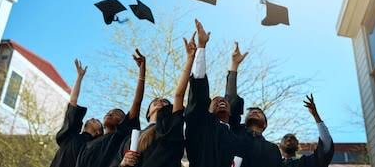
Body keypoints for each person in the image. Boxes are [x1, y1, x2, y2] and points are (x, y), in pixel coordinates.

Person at [112, 31, 197, 167]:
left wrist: (190, 59)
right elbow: (137, 102)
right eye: (155, 101)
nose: (160, 101)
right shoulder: (131, 139)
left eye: (165, 102)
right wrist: (123, 163)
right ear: (147, 112)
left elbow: (179, 95)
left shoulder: (171, 128)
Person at [75, 49, 146, 167]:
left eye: (117, 113)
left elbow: (137, 102)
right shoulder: (88, 145)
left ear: (124, 121)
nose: (110, 114)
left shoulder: (120, 136)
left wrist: (142, 71)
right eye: (108, 112)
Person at [185, 19, 241, 167]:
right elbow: (198, 89)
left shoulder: (238, 137)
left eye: (224, 100)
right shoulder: (200, 126)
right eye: (215, 100)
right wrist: (201, 47)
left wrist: (234, 66)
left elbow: (232, 97)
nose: (221, 100)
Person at [225, 43, 282, 167]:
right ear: (244, 121)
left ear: (265, 124)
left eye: (259, 112)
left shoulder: (272, 150)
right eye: (250, 112)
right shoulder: (234, 132)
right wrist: (234, 66)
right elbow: (231, 100)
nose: (254, 112)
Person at [50, 59, 104, 167]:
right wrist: (79, 77)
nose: (94, 118)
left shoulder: (94, 147)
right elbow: (73, 101)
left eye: (98, 121)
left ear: (99, 132)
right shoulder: (71, 134)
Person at [280, 94, 334, 167]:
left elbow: (326, 145)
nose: (289, 139)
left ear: (297, 144)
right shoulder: (270, 163)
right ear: (280, 145)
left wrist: (315, 115)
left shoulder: (308, 162)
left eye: (292, 138)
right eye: (285, 137)